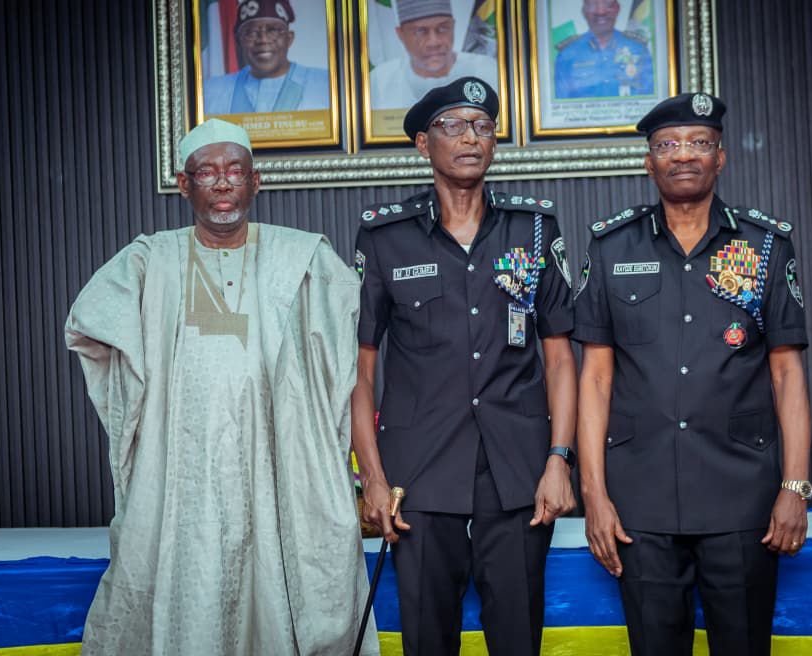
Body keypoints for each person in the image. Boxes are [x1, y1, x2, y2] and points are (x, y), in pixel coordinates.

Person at [64, 118, 377, 656]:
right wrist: (143, 409)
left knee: (286, 586)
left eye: (235, 169)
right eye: (206, 172)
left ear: (256, 181)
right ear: (184, 185)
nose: (223, 181)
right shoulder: (149, 260)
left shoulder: (303, 259)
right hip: (182, 471)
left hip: (281, 463)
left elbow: (344, 360)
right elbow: (89, 328)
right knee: (191, 585)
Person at [574, 92, 812, 656]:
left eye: (699, 142)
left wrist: (795, 487)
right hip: (640, 502)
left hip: (742, 500)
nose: (684, 155)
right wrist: (594, 496)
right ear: (648, 162)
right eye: (668, 145)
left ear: (720, 157)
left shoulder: (764, 245)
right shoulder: (611, 246)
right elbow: (595, 380)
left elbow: (787, 375)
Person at [351, 77, 577, 655]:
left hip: (519, 470)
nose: (470, 138)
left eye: (482, 126)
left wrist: (559, 459)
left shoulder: (534, 228)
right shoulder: (385, 236)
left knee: (518, 637)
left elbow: (559, 359)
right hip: (418, 475)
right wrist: (372, 478)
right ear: (423, 144)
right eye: (452, 126)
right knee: (428, 638)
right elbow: (360, 371)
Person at [205, 0, 329, 115]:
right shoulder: (211, 91)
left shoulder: (326, 84)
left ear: (289, 38)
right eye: (251, 33)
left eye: (273, 30)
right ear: (238, 42)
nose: (263, 40)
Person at [370, 0, 499, 110]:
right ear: (401, 34)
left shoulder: (488, 71)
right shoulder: (380, 80)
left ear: (453, 26)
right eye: (420, 31)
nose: (434, 42)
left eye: (443, 28)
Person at [554, 0, 653, 99]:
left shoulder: (638, 49)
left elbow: (650, 98)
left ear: (617, 9)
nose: (601, 11)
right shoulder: (567, 54)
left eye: (608, 5)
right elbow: (561, 101)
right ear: (584, 11)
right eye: (593, 5)